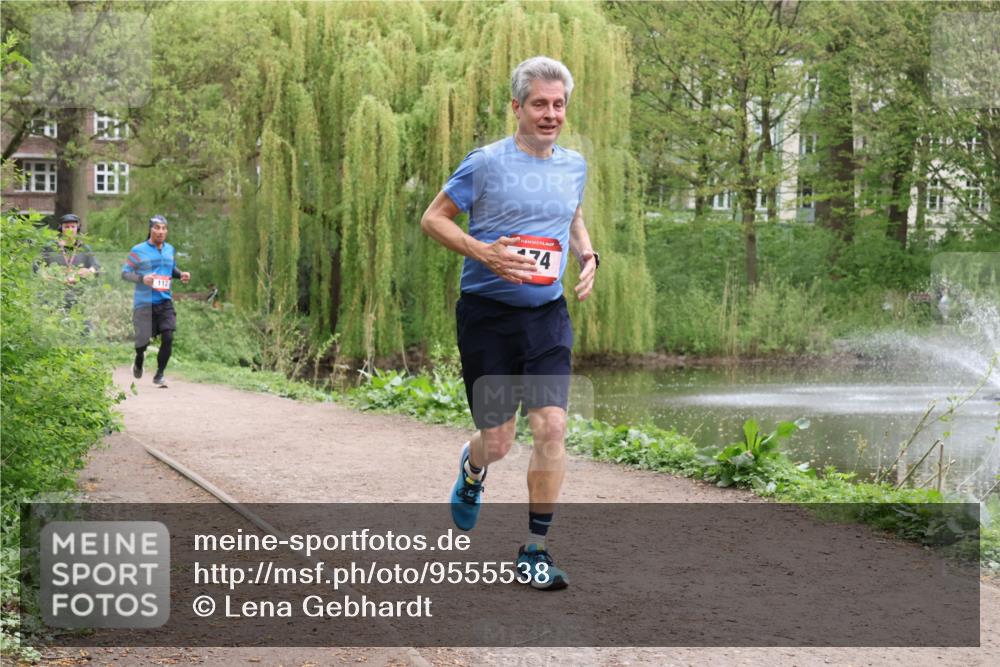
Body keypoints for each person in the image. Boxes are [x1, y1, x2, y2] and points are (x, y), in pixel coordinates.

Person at [420, 56, 598, 591]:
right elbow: (433, 219)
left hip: (546, 315)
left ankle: (535, 549)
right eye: (539, 104)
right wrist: (484, 253)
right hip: (488, 316)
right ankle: (474, 469)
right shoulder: (485, 163)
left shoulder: (574, 165)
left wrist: (588, 255)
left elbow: (570, 214)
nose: (550, 114)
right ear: (516, 107)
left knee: (552, 427)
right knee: (497, 441)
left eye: (559, 104)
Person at [121, 215, 190, 387]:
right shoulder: (138, 250)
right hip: (144, 303)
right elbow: (125, 273)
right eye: (157, 228)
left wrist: (180, 274)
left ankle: (159, 374)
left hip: (165, 301)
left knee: (168, 336)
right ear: (150, 229)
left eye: (164, 228)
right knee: (141, 343)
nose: (161, 231)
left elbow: (169, 268)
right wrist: (142, 278)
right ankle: (139, 358)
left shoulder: (169, 249)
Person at [41, 213, 101, 289]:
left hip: (79, 292)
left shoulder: (84, 248)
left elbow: (96, 266)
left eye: (73, 227)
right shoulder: (50, 247)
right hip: (55, 291)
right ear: (61, 229)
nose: (70, 229)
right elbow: (37, 266)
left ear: (77, 229)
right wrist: (45, 275)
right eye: (66, 227)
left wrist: (89, 271)